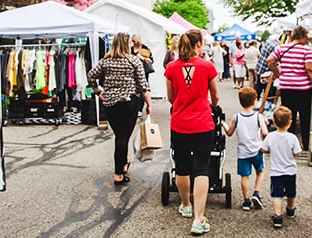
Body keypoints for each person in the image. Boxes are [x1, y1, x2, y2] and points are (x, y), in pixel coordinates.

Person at [164, 29, 219, 235]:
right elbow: (215, 96)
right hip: (203, 124)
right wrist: (211, 104)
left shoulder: (171, 67)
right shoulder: (207, 66)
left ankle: (186, 205)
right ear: (198, 45)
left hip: (179, 123)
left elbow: (171, 97)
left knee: (182, 166)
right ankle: (198, 219)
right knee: (202, 168)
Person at [87, 32, 152, 185]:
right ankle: (118, 173)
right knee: (123, 137)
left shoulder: (106, 61)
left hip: (110, 104)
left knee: (120, 136)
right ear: (126, 44)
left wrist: (98, 92)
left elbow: (91, 76)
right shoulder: (134, 61)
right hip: (129, 102)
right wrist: (149, 104)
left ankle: (123, 165)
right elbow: (143, 86)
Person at [267, 25, 312, 150]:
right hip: (303, 88)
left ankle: (289, 145)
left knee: (288, 116)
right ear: (303, 36)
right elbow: (309, 68)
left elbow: (270, 60)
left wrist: (278, 74)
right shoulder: (307, 50)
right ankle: (305, 144)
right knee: (305, 117)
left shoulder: (282, 48)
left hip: (287, 87)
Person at [222, 87, 268, 211]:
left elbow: (230, 132)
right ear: (254, 101)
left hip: (243, 152)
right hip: (257, 150)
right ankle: (257, 193)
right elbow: (265, 132)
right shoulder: (259, 117)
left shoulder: (236, 117)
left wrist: (223, 124)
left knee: (244, 176)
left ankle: (246, 201)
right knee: (260, 172)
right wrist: (264, 143)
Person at [260, 105, 302, 229]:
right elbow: (297, 153)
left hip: (276, 171)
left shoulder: (270, 137)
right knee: (290, 192)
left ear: (273, 122)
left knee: (277, 194)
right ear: (290, 123)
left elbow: (263, 149)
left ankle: (277, 216)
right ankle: (290, 209)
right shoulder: (292, 138)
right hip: (290, 170)